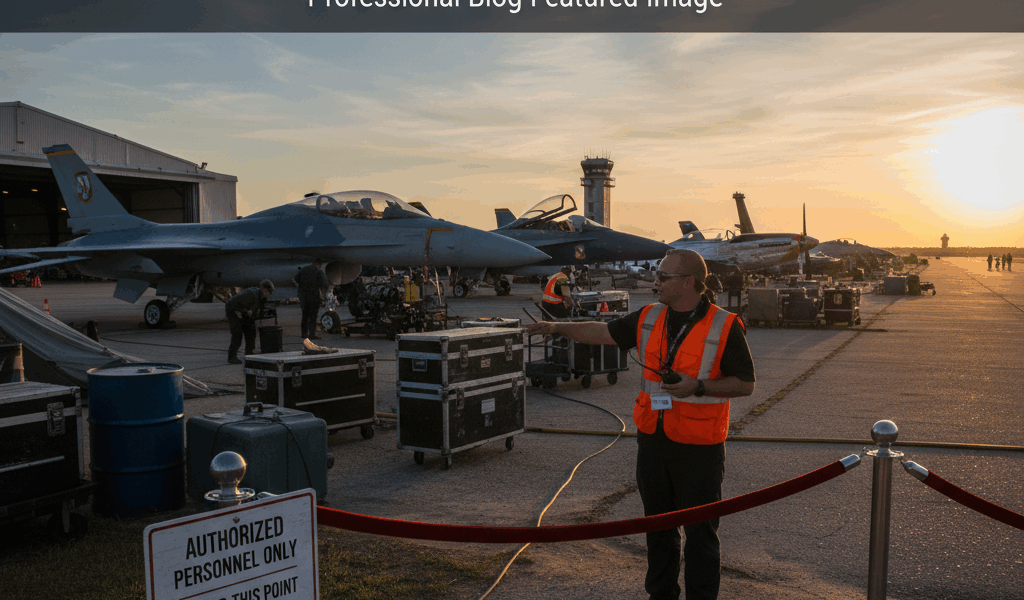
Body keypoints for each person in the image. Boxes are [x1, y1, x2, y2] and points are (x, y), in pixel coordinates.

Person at [525, 249, 755, 600]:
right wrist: (557, 326)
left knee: (701, 536)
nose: (656, 281)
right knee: (658, 531)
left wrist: (699, 386)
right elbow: (603, 332)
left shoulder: (724, 325)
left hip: (699, 447)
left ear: (689, 282)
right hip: (653, 442)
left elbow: (746, 383)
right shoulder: (650, 316)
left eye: (664, 276)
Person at [225, 279, 275, 364]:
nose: (267, 293)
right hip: (233, 311)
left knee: (251, 332)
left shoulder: (262, 297)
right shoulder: (251, 294)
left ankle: (249, 354)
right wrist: (243, 312)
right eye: (266, 291)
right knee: (237, 334)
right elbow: (231, 304)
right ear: (262, 289)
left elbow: (256, 310)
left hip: (245, 313)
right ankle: (232, 357)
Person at [293, 258, 331, 340]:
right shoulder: (318, 272)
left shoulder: (303, 269)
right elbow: (324, 283)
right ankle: (312, 334)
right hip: (314, 297)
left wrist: (301, 289)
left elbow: (295, 279)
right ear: (319, 265)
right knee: (313, 317)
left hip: (303, 297)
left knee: (305, 316)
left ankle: (304, 334)